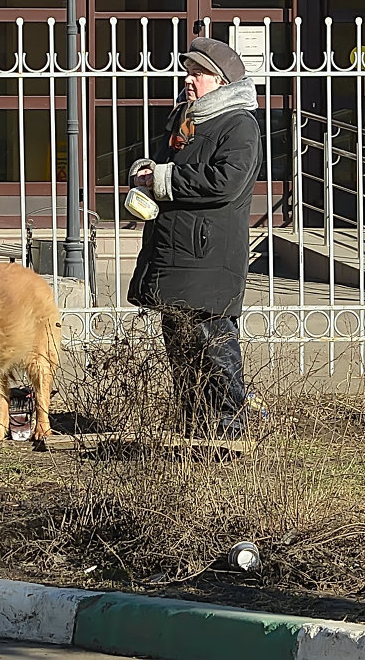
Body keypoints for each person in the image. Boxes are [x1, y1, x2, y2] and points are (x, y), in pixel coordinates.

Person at [127, 36, 261, 439]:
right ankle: (195, 431)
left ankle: (231, 434)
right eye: (188, 71)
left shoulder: (239, 124)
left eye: (198, 73)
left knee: (215, 348)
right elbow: (160, 159)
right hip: (174, 253)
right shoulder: (186, 118)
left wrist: (165, 178)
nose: (189, 79)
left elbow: (226, 182)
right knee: (183, 350)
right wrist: (146, 170)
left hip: (208, 257)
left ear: (221, 81)